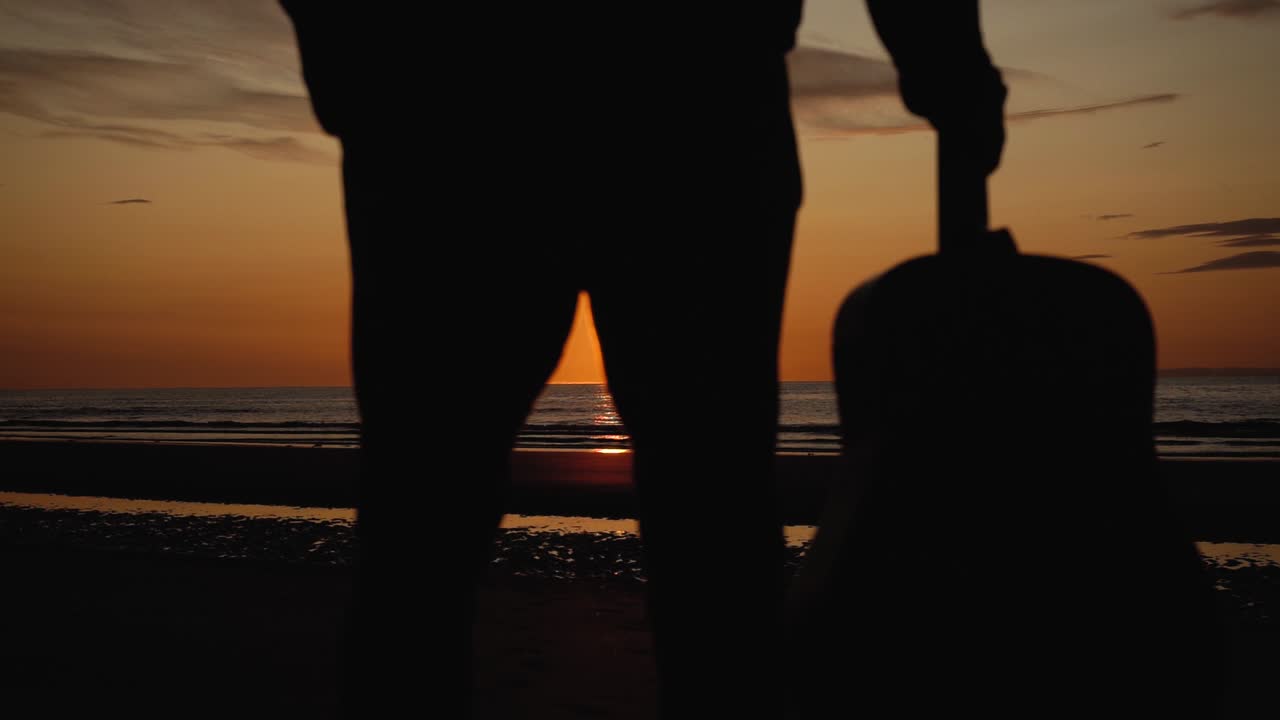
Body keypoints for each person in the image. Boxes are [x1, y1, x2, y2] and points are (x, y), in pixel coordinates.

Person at [279, 3, 1004, 717]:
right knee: (698, 511)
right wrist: (951, 73)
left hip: (493, 106)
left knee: (430, 512)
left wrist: (352, 67)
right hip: (635, 100)